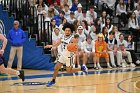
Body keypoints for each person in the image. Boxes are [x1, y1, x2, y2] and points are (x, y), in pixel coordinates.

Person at [44, 23, 88, 87]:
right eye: (66, 30)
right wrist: (50, 46)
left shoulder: (72, 39)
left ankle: (82, 68)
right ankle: (53, 81)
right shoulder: (62, 36)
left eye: (69, 31)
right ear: (64, 30)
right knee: (56, 68)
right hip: (63, 55)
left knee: (68, 71)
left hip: (70, 57)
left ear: (71, 31)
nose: (67, 32)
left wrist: (74, 50)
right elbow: (57, 44)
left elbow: (76, 47)